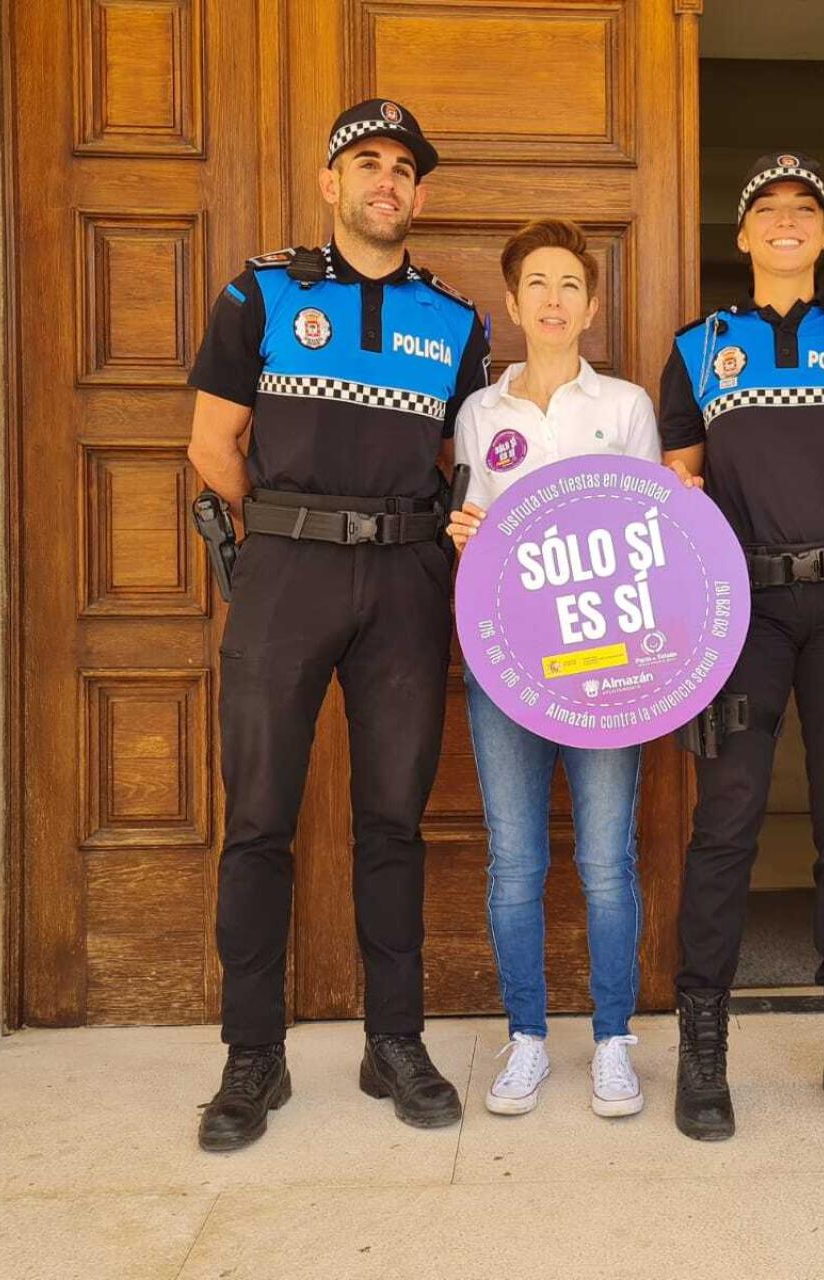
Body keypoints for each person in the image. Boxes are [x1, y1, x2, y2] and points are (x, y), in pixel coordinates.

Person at [185, 97, 490, 1151]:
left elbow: (469, 455)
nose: (386, 180)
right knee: (260, 816)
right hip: (286, 573)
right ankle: (251, 1054)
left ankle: (392, 1041)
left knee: (393, 821)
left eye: (404, 166)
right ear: (330, 183)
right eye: (367, 161)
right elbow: (212, 443)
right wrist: (282, 532)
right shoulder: (260, 291)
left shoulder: (457, 323)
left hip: (407, 577)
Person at [656, 153, 824, 1141]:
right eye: (765, 206)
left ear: (820, 233)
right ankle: (703, 1047)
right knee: (724, 823)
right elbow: (678, 484)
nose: (785, 219)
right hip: (741, 607)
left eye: (802, 207)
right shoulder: (698, 345)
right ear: (741, 233)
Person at [445, 218, 661, 1119]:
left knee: (607, 861)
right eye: (537, 283)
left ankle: (613, 1041)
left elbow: (651, 545)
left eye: (571, 284)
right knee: (514, 862)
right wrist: (469, 539)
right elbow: (475, 550)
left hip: (608, 671)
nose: (553, 300)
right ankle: (527, 1038)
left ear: (593, 304)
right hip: (507, 669)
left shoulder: (626, 407)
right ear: (511, 301)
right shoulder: (479, 415)